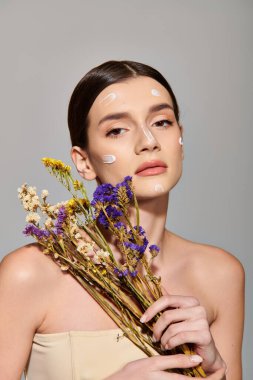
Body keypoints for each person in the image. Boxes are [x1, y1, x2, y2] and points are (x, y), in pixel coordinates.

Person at [0, 60, 244, 380]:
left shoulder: (220, 274)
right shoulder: (29, 274)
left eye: (162, 122)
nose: (148, 141)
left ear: (180, 140)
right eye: (117, 129)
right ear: (84, 162)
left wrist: (215, 370)